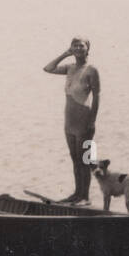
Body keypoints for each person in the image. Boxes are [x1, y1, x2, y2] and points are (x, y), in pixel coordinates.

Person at [43, 36, 100, 205]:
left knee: (84, 159)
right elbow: (48, 68)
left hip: (84, 118)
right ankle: (77, 194)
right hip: (69, 120)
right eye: (75, 46)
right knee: (74, 158)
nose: (78, 48)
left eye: (81, 46)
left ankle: (85, 197)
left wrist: (92, 120)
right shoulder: (69, 68)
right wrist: (65, 54)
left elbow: (97, 96)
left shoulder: (91, 70)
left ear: (87, 48)